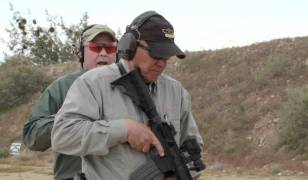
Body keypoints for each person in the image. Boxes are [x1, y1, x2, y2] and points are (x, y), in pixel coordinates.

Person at [52, 11, 204, 180]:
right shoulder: (92, 84)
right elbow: (62, 135)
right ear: (129, 46)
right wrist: (123, 130)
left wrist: (178, 174)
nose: (162, 63)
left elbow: (193, 146)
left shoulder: (177, 92)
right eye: (156, 54)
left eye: (167, 56)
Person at [22, 24, 117, 180]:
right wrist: (70, 119)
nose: (103, 53)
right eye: (95, 47)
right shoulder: (62, 87)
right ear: (81, 53)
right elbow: (32, 137)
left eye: (110, 49)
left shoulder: (130, 87)